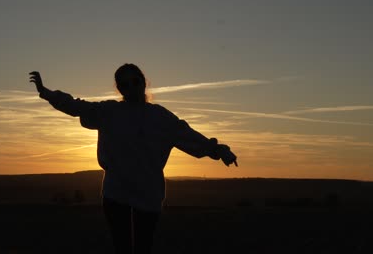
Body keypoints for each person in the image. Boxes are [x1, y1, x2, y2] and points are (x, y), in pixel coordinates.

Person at [29, 63, 237, 254]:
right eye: (124, 84)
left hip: (148, 195)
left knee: (143, 247)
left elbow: (191, 137)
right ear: (119, 89)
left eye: (134, 82)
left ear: (144, 83)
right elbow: (76, 106)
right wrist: (46, 93)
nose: (130, 87)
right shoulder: (109, 111)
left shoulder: (161, 117)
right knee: (122, 247)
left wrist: (219, 151)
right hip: (115, 193)